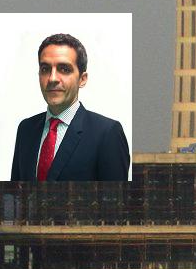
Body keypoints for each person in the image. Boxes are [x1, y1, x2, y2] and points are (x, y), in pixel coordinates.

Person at [10, 33, 129, 182]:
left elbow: (115, 201)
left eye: (64, 69)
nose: (52, 78)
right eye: (45, 69)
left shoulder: (107, 133)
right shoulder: (26, 129)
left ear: (82, 79)